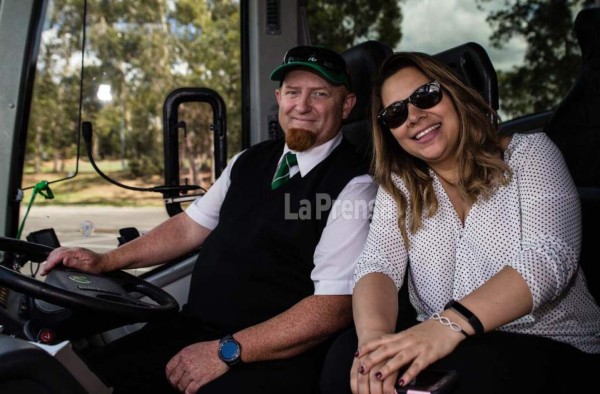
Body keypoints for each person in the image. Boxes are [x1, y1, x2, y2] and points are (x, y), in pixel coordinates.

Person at [41, 45, 377, 394]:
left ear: (347, 105)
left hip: (269, 355)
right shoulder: (248, 161)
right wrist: (104, 260)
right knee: (86, 377)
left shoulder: (354, 186)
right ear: (279, 97)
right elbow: (188, 227)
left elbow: (332, 308)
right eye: (293, 92)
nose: (302, 106)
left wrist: (226, 351)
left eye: (319, 94)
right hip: (195, 329)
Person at [320, 52, 600, 394]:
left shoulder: (531, 154)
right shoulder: (401, 186)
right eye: (396, 113)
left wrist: (447, 325)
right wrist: (375, 346)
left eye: (426, 96)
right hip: (447, 344)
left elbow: (549, 257)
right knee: (342, 359)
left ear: (455, 94)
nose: (414, 117)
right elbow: (377, 264)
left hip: (550, 345)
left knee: (468, 377)